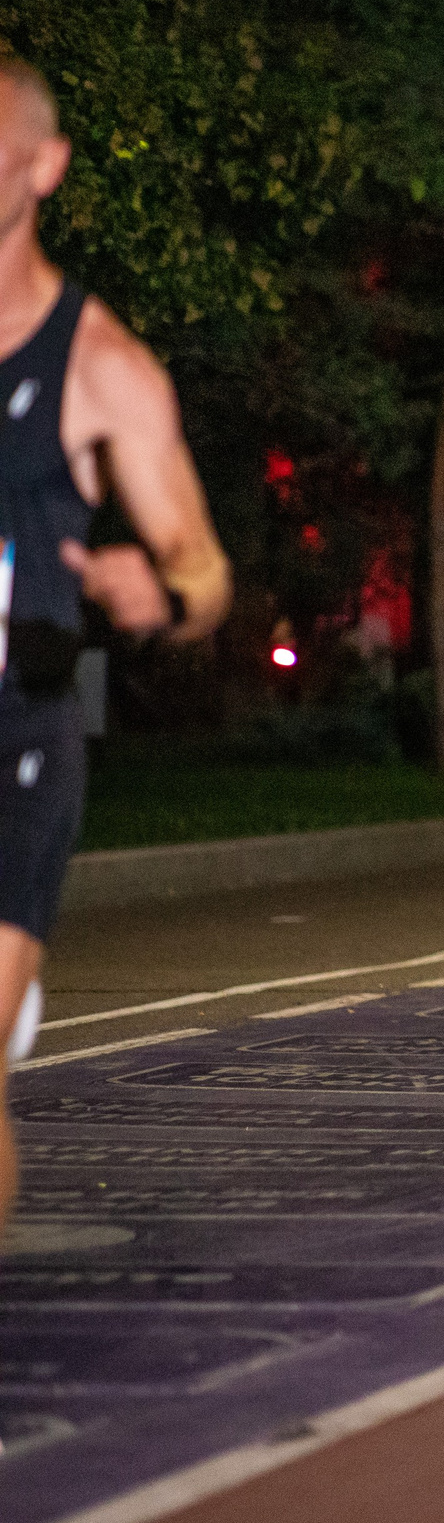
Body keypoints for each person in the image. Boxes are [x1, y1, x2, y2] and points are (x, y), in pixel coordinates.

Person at [0, 60, 234, 1221]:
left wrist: (161, 600)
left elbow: (206, 573)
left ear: (43, 170)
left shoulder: (102, 370)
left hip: (17, 735)